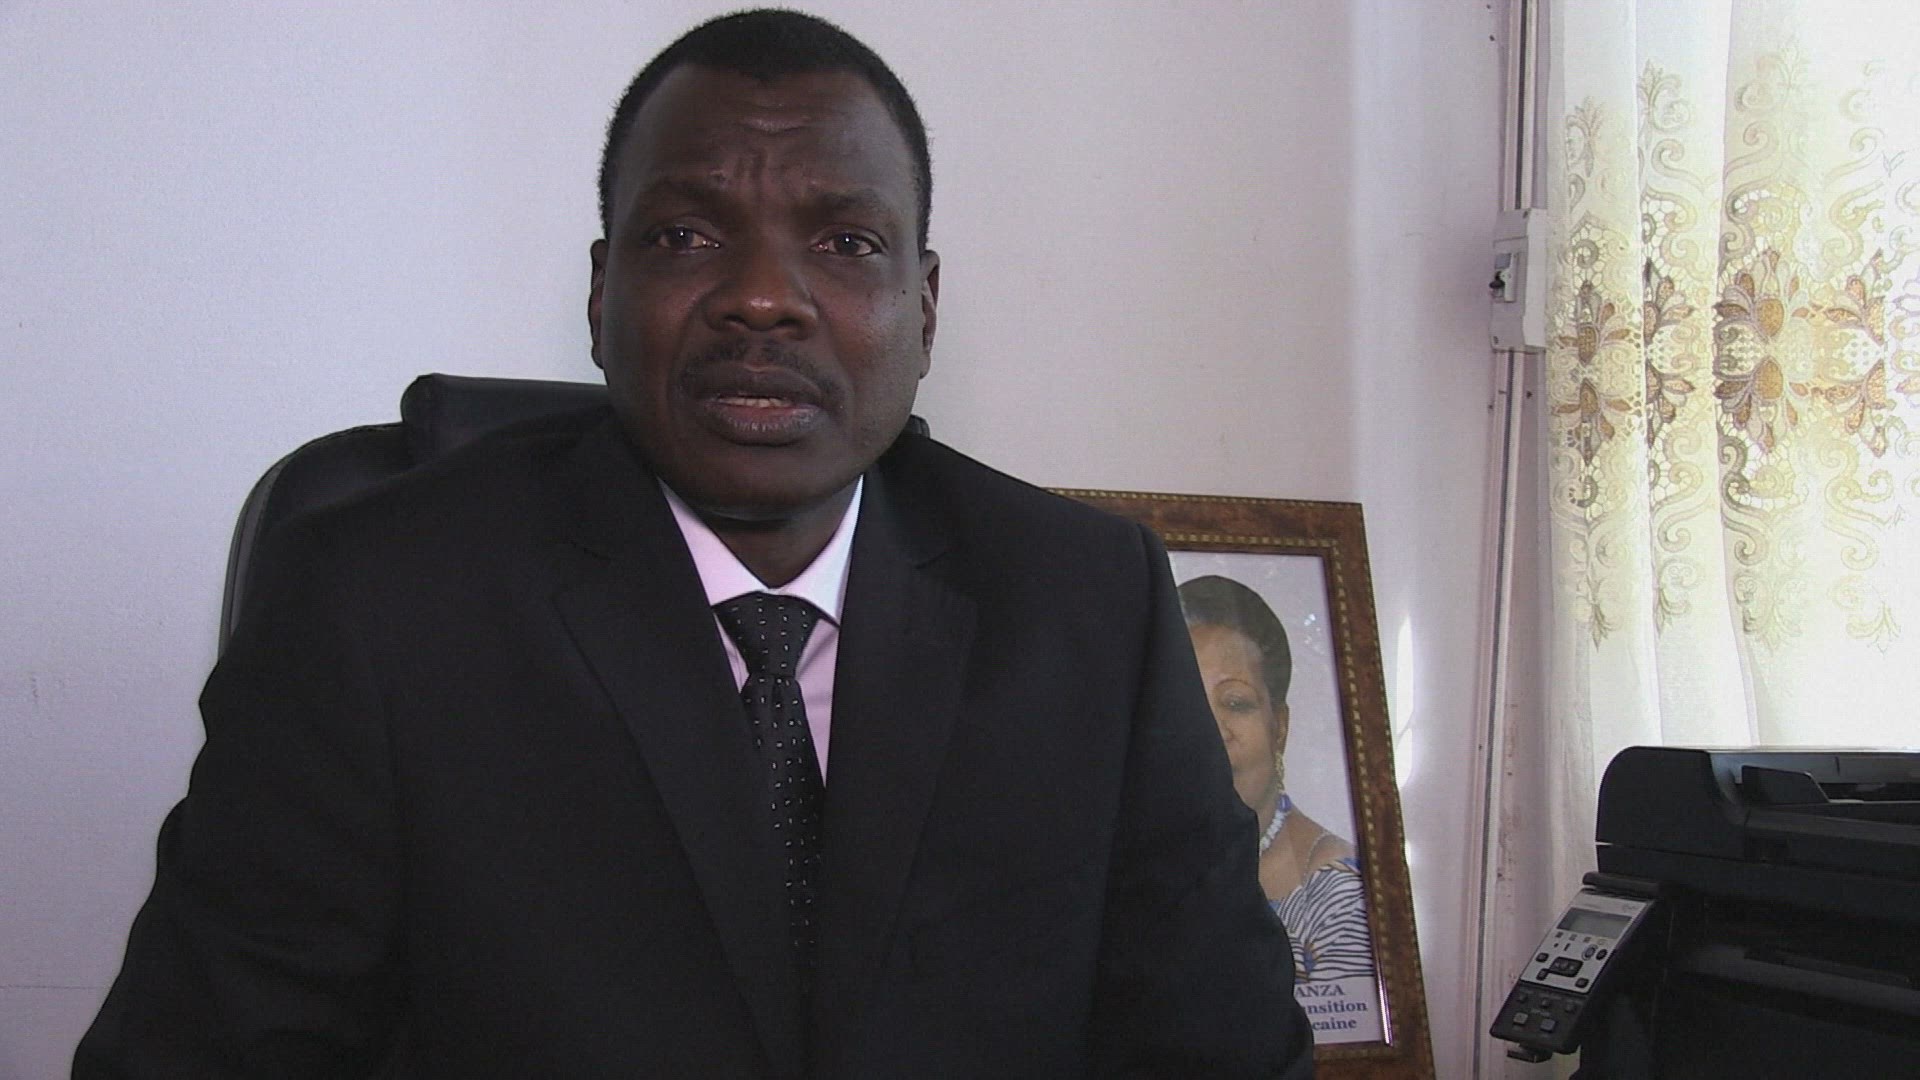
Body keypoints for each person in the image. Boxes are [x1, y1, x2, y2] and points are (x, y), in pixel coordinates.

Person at [75, 10, 1313, 1078]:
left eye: (846, 243)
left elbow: (1219, 1051)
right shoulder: (377, 606)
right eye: (685, 236)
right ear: (600, 294)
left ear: (925, 309)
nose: (762, 296)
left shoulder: (1086, 606)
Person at [1178, 574, 1375, 983]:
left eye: (1236, 703)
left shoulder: (1338, 902)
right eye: (1186, 703)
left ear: (1279, 728)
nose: (1211, 731)